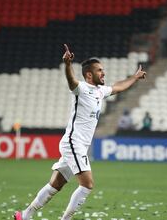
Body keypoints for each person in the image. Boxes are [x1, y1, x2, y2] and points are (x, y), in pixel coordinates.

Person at [14, 44, 146, 220]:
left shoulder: (100, 91)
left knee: (55, 185)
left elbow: (118, 87)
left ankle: (25, 215)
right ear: (89, 75)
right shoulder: (81, 89)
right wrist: (68, 65)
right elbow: (71, 81)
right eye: (100, 70)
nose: (103, 73)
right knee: (87, 184)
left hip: (79, 146)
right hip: (73, 143)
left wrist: (135, 77)